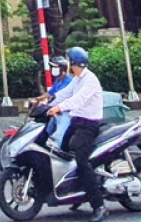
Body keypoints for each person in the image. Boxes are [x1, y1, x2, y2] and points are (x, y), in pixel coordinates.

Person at [48, 46, 106, 222]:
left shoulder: (90, 80)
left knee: (81, 160)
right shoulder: (77, 79)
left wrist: (59, 108)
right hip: (76, 123)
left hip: (89, 126)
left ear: (73, 63)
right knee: (62, 151)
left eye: (68, 61)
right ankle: (77, 191)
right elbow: (64, 94)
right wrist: (47, 103)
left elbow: (78, 100)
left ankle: (99, 206)